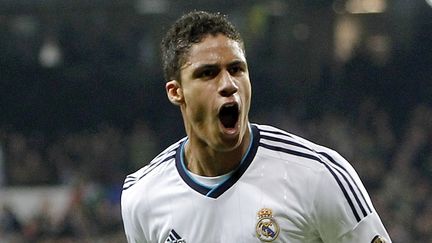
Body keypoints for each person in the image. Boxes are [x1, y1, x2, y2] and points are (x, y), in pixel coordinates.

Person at [121, 10, 391, 243]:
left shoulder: (318, 175)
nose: (228, 84)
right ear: (175, 92)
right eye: (208, 73)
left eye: (237, 69)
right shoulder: (142, 196)